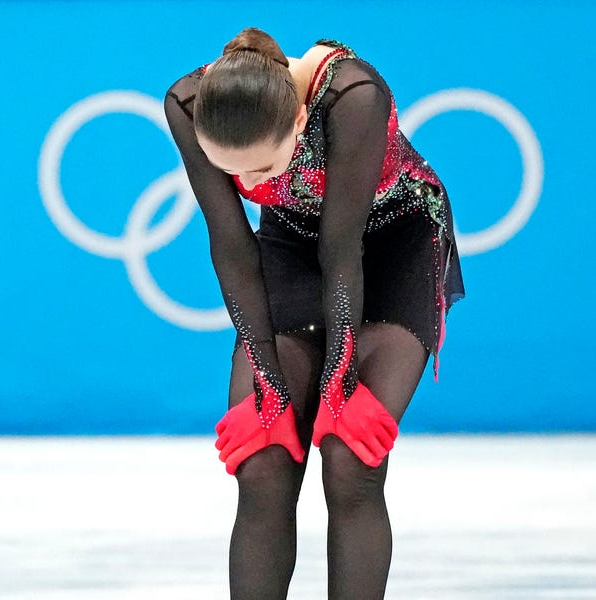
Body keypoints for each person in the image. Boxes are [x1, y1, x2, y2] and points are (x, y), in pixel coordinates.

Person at [164, 27, 465, 599]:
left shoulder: (353, 97)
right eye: (237, 174)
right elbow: (232, 243)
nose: (250, 185)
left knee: (350, 455)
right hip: (295, 243)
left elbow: (342, 248)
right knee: (263, 460)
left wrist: (337, 382)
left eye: (262, 169)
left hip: (394, 243)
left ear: (298, 125)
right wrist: (270, 383)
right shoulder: (188, 104)